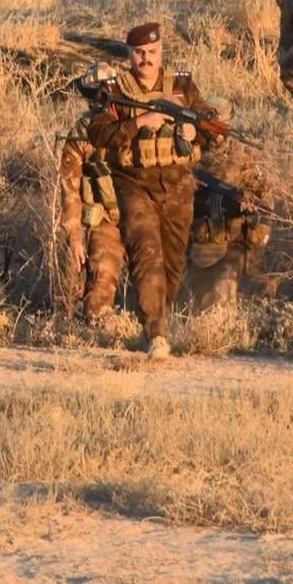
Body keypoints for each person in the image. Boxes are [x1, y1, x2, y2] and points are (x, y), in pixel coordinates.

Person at [80, 23, 225, 360]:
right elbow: (98, 134)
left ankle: (156, 319)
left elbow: (211, 129)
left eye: (152, 53)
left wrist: (194, 132)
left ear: (162, 52)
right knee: (147, 253)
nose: (146, 59)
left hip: (177, 183)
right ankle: (155, 333)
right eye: (139, 53)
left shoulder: (182, 86)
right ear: (130, 54)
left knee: (174, 263)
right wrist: (137, 124)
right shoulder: (116, 89)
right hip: (134, 183)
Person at [57, 69, 125, 325]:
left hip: (143, 217)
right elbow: (70, 189)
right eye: (94, 96)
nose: (100, 101)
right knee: (101, 285)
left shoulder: (139, 121)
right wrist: (75, 236)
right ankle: (99, 336)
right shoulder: (82, 132)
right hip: (106, 221)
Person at [179, 136, 270, 314]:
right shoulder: (187, 151)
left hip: (235, 245)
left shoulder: (244, 157)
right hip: (200, 246)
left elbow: (265, 195)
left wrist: (251, 202)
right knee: (194, 301)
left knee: (225, 293)